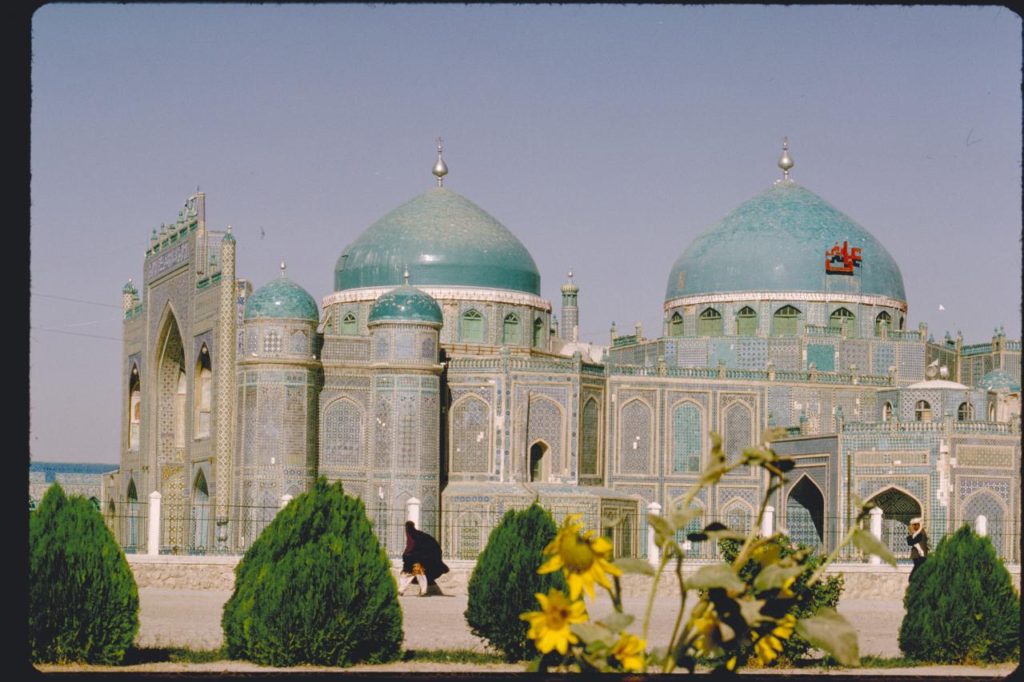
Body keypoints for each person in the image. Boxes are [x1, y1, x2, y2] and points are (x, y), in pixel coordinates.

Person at [399, 520, 449, 596]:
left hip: (414, 559)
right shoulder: (419, 535)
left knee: (407, 574)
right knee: (417, 574)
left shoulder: (413, 536)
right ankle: (421, 591)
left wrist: (406, 555)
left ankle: (403, 590)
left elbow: (410, 547)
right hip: (418, 559)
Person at [906, 517, 929, 581]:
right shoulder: (915, 534)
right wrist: (911, 534)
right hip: (916, 556)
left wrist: (911, 534)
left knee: (916, 571)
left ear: (920, 524)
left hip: (921, 556)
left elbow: (912, 541)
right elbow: (909, 542)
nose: (914, 527)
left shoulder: (921, 533)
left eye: (916, 525)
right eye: (913, 525)